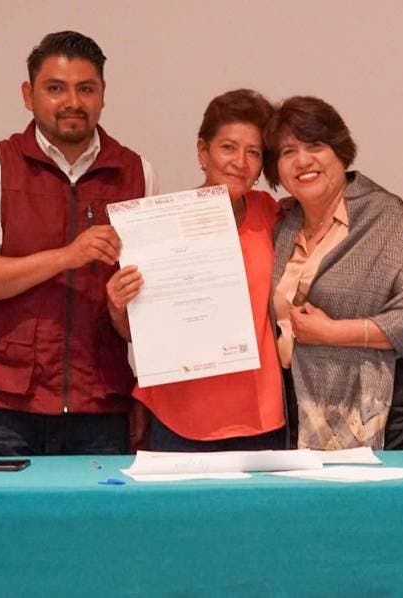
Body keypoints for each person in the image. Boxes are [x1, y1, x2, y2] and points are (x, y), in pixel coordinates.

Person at [0, 31, 157, 455]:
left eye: (86, 89)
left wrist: (144, 386)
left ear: (103, 94)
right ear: (28, 95)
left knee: (102, 505)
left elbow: (149, 308)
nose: (72, 102)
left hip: (101, 403)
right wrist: (67, 257)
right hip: (4, 406)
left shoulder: (136, 172)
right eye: (56, 88)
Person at [105, 89, 286, 451]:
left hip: (261, 413)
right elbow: (136, 333)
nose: (240, 162)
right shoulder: (157, 224)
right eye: (228, 147)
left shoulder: (271, 213)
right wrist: (117, 304)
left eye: (253, 152)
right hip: (181, 414)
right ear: (203, 152)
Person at [264, 96, 403, 450]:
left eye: (315, 145)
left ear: (340, 151)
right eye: (288, 151)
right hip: (299, 410)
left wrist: (331, 333)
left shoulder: (384, 216)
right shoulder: (284, 226)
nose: (303, 160)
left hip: (382, 413)